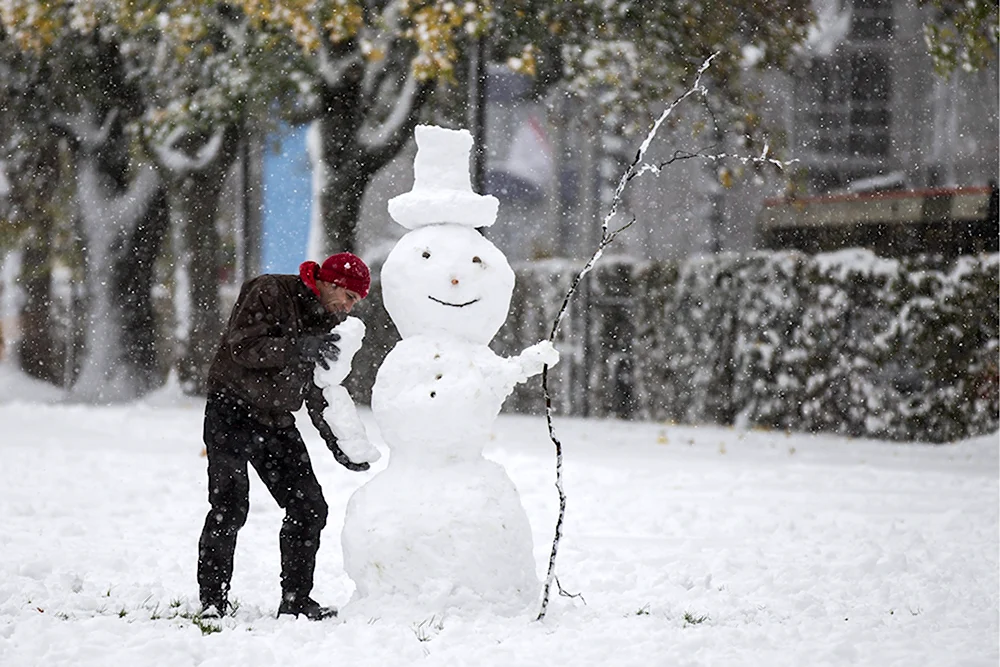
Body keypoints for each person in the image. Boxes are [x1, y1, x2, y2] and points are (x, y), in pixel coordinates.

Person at [197, 252, 372, 621]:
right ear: (333, 282)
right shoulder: (271, 289)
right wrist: (297, 347)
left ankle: (296, 601)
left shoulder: (327, 324)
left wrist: (340, 446)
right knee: (230, 506)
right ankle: (213, 601)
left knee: (310, 507)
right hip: (231, 408)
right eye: (351, 298)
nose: (349, 308)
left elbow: (316, 390)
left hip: (275, 420)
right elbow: (242, 346)